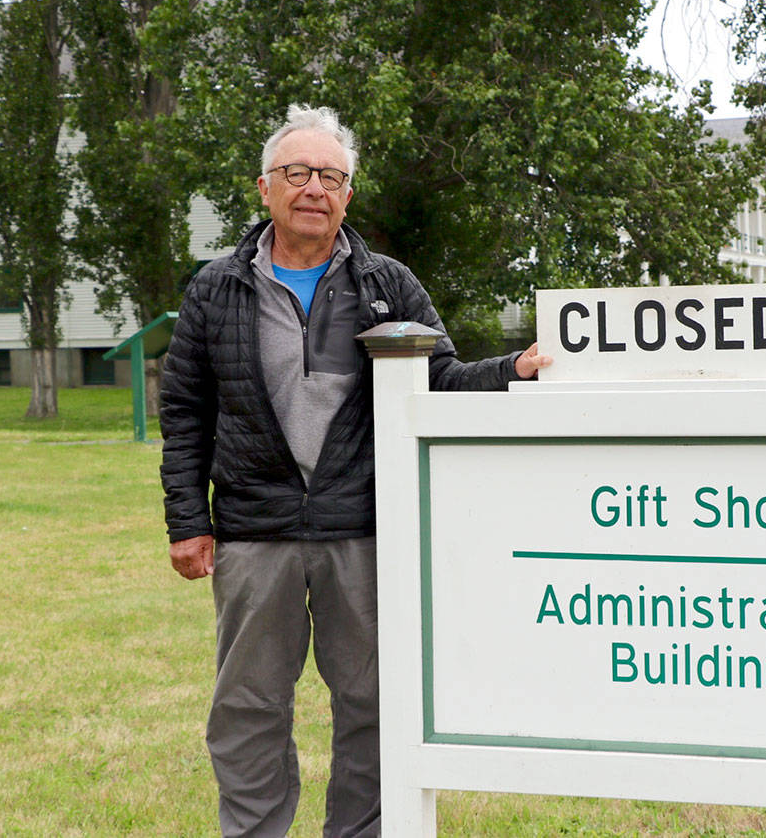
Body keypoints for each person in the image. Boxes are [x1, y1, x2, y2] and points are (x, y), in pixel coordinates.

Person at [159, 104, 550, 838]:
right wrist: (189, 520)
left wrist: (514, 369)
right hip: (253, 534)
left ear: (348, 193)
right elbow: (184, 409)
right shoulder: (216, 289)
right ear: (265, 188)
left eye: (330, 176)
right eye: (297, 173)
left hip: (365, 533)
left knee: (374, 703)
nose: (314, 188)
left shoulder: (387, 283)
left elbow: (440, 377)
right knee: (248, 705)